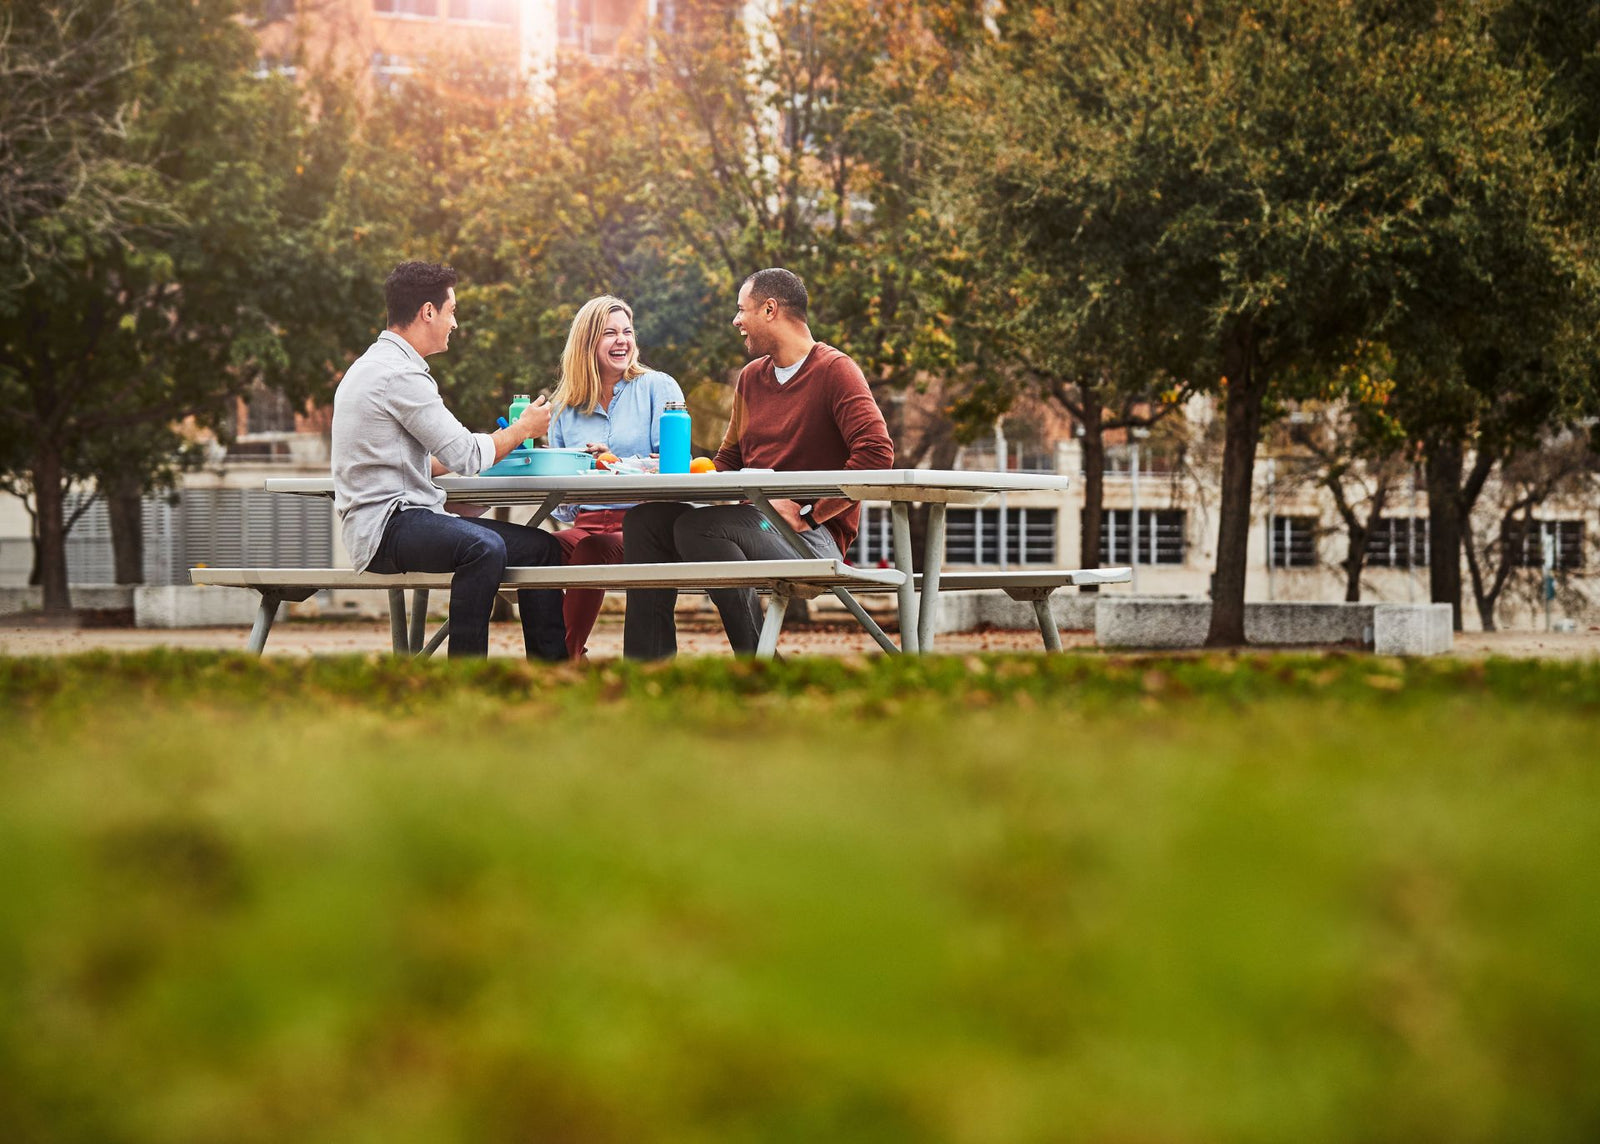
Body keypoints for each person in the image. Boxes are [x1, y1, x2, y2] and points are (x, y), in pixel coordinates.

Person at [622, 267, 894, 658]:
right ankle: (648, 669)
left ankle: (758, 662)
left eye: (741, 310)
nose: (736, 321)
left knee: (701, 528)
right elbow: (727, 463)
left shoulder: (835, 370)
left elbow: (876, 453)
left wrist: (813, 514)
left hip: (812, 539)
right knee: (645, 522)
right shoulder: (751, 378)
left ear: (770, 309)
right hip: (755, 524)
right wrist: (667, 467)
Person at [331, 261, 566, 659]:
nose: (454, 323)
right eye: (452, 311)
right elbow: (465, 454)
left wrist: (494, 450)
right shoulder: (399, 375)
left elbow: (423, 463)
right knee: (483, 546)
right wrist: (523, 429)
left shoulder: (373, 366)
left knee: (542, 548)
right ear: (428, 312)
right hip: (387, 527)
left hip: (396, 520)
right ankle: (464, 682)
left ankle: (552, 676)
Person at [547, 295, 685, 659]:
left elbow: (673, 467)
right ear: (587, 343)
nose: (622, 340)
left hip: (643, 526)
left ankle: (564, 660)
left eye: (627, 331)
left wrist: (615, 463)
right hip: (587, 522)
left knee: (591, 551)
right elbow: (563, 511)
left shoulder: (659, 387)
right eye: (609, 333)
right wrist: (573, 473)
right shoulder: (563, 408)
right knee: (534, 550)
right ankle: (549, 652)